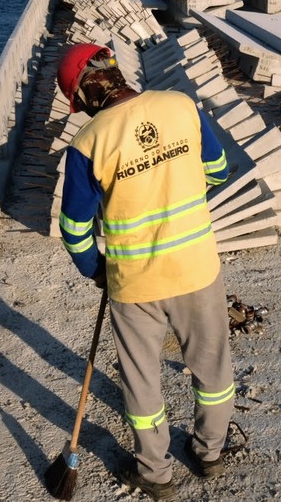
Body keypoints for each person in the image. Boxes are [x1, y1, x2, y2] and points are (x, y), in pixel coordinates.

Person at [56, 43, 234, 499]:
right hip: (198, 268)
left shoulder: (89, 142)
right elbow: (217, 170)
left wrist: (96, 269)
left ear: (85, 93)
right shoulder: (181, 106)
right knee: (212, 369)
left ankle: (155, 474)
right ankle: (210, 453)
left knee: (141, 379)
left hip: (134, 283)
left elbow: (75, 229)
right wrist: (179, 204)